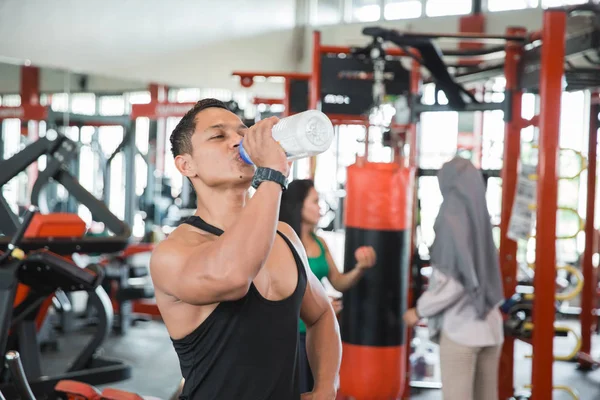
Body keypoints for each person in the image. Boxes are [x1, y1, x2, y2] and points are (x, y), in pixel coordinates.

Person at [149, 99, 342, 400]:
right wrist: (272, 176)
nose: (238, 141)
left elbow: (321, 315)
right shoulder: (173, 253)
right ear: (186, 165)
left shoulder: (285, 236)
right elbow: (235, 276)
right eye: (218, 136)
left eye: (242, 132)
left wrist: (325, 387)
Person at [403, 157, 504, 400]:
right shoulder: (481, 215)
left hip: (461, 331)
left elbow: (454, 282)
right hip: (491, 328)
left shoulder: (450, 215)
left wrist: (419, 310)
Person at [279, 179, 376, 394]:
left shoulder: (319, 242)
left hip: (317, 333)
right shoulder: (281, 242)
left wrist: (360, 268)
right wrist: (317, 304)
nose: (320, 207)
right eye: (315, 201)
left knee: (319, 391)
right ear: (298, 205)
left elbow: (338, 282)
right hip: (290, 335)